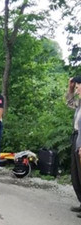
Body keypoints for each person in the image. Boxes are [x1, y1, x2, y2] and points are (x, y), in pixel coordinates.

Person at [66, 76, 81, 218]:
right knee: (75, 172)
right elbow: (70, 103)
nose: (76, 90)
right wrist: (70, 89)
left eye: (77, 87)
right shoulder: (80, 102)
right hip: (76, 137)